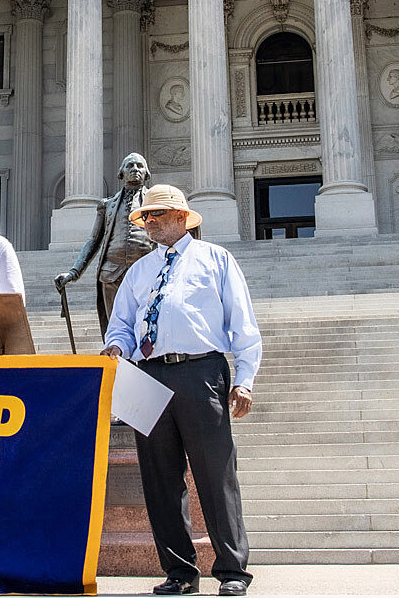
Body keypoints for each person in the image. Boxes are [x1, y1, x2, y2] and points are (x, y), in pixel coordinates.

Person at [100, 184, 261, 597]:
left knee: (215, 472)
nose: (148, 222)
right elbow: (122, 323)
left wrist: (244, 380)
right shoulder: (138, 271)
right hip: (148, 375)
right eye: (146, 217)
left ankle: (231, 571)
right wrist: (117, 345)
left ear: (180, 218)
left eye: (156, 215)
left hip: (201, 372)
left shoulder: (216, 260)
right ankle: (179, 571)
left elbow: (242, 324)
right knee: (158, 478)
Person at [55, 153, 155, 332]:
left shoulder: (154, 202)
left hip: (146, 273)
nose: (135, 170)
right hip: (111, 274)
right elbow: (93, 240)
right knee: (117, 330)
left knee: (147, 328)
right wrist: (73, 273)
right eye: (130, 166)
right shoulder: (107, 205)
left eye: (140, 166)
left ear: (146, 172)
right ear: (121, 173)